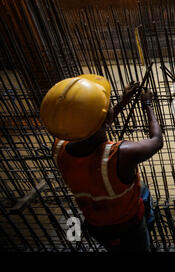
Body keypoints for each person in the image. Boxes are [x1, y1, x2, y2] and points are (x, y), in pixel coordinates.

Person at [40, 74, 163, 252]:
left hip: (96, 223)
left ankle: (146, 222)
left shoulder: (59, 146)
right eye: (107, 106)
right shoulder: (120, 154)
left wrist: (122, 103)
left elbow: (89, 127)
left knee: (142, 190)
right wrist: (147, 105)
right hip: (126, 228)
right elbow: (157, 140)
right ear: (105, 119)